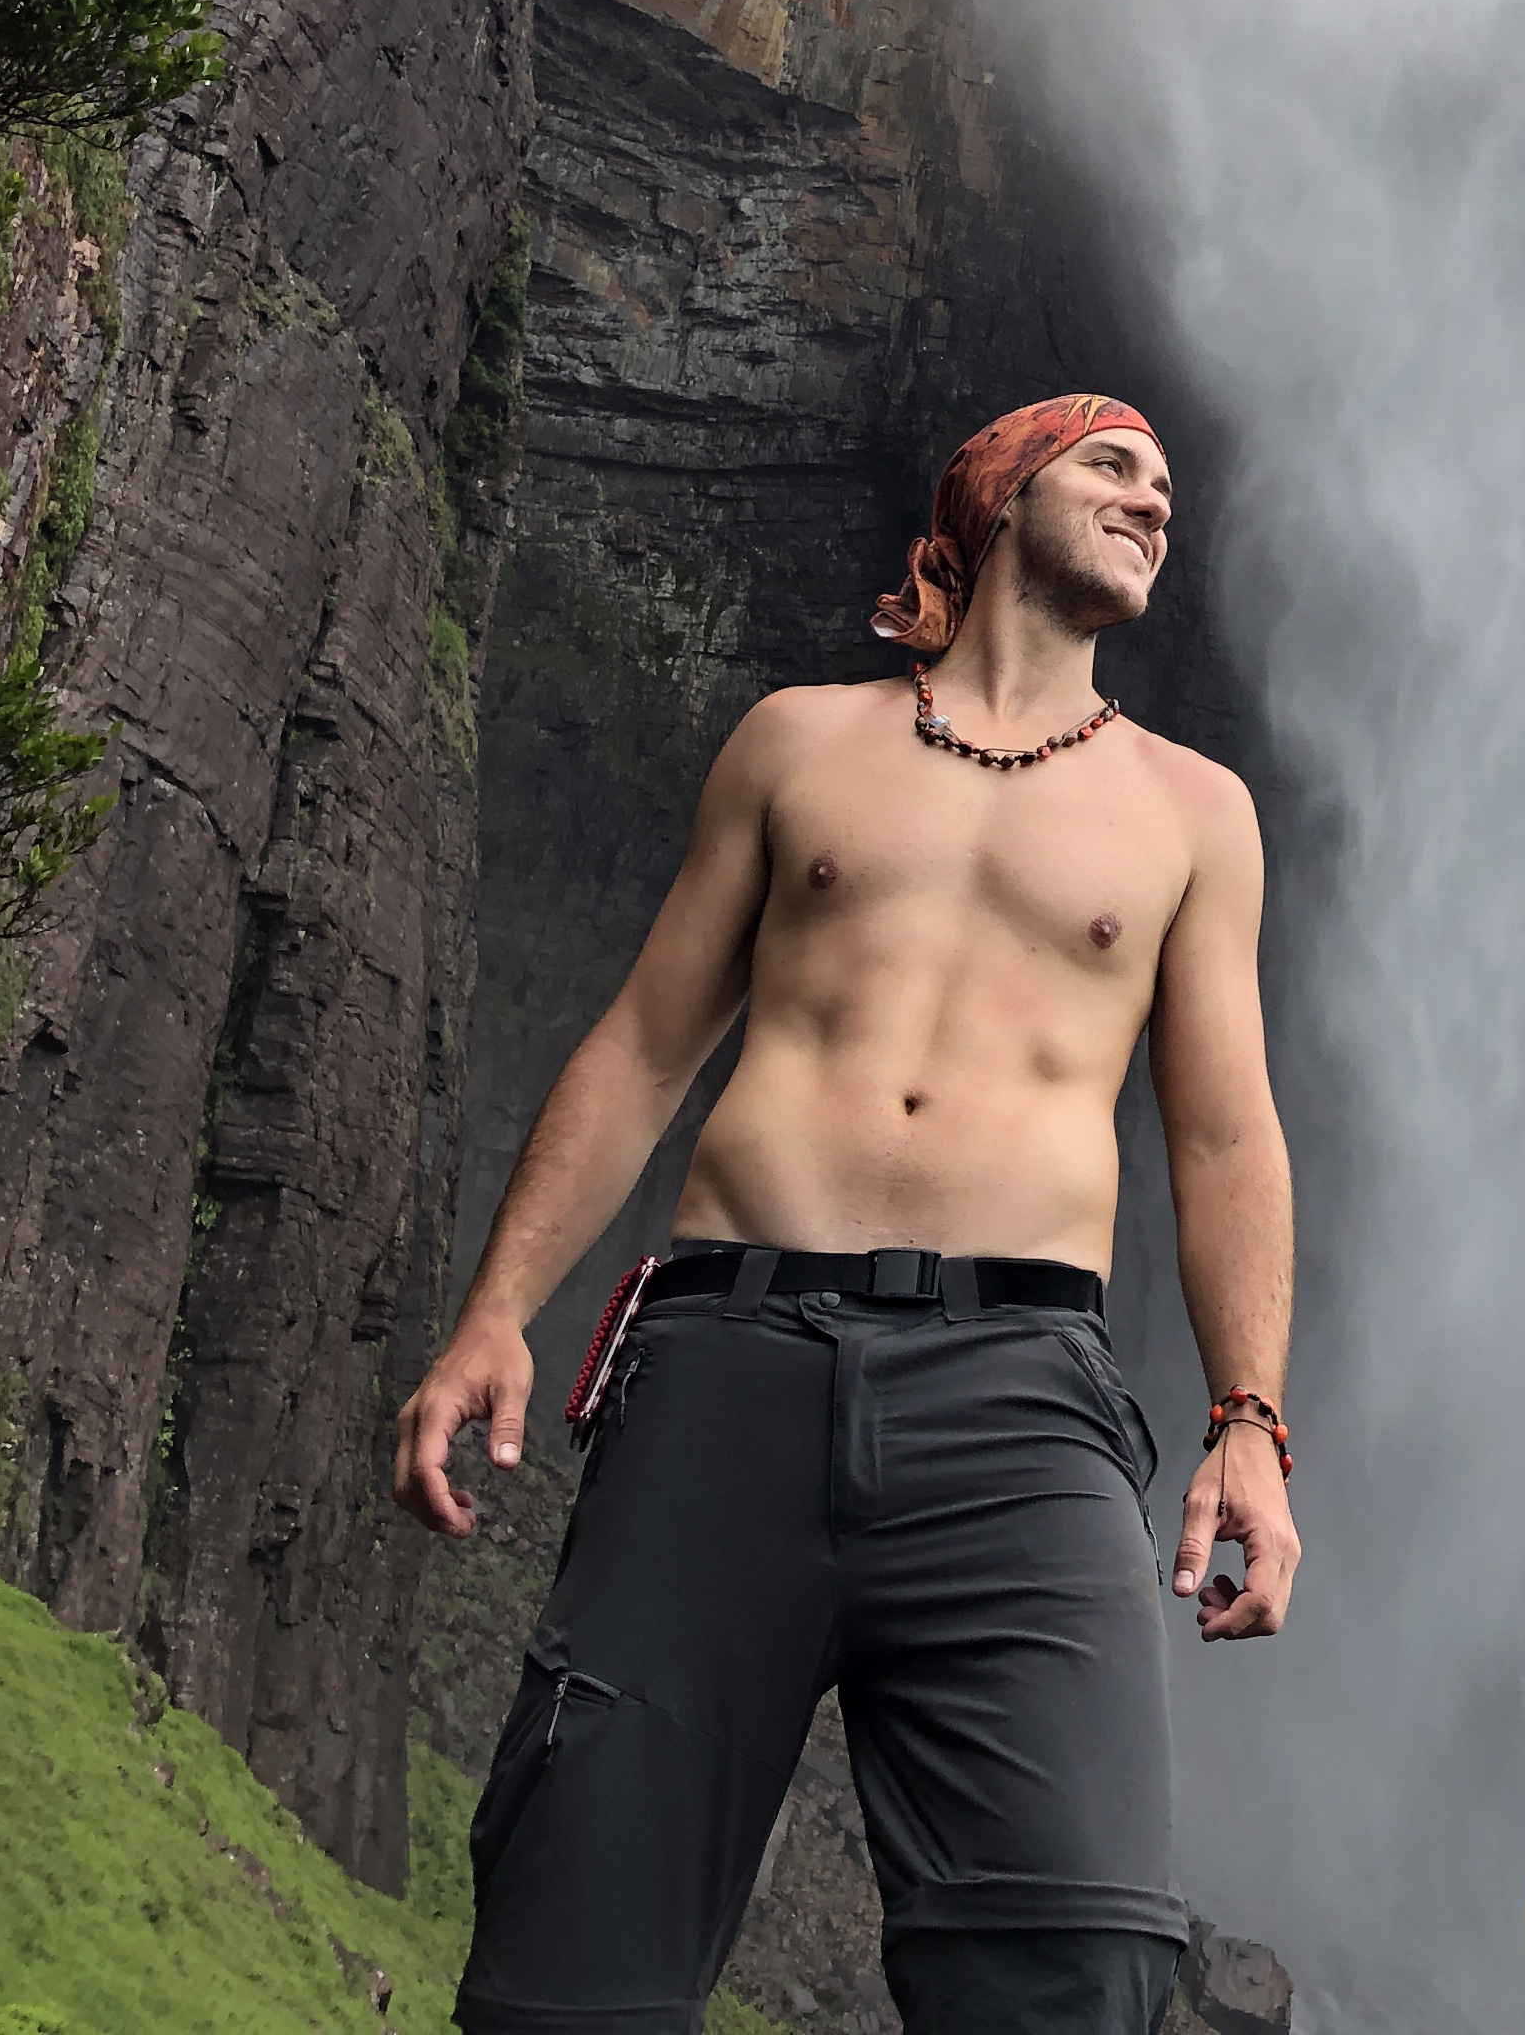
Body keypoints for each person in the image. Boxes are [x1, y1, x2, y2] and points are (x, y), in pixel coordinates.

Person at [395, 393, 1297, 2035]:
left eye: (1169, 486)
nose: (1155, 501)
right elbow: (647, 1044)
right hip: (727, 1359)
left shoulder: (1193, 812)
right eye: (1112, 464)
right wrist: (495, 1315)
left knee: (1081, 1954)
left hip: (1020, 1399)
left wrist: (1251, 1422)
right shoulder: (798, 742)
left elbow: (1226, 1136)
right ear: (1001, 492)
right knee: (571, 1941)